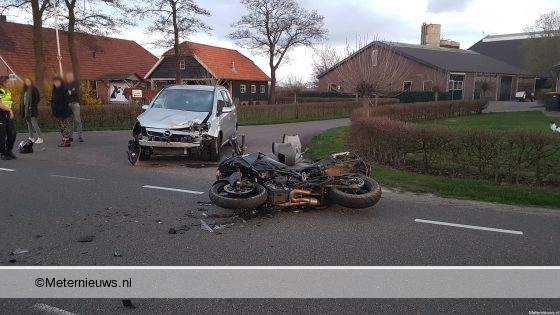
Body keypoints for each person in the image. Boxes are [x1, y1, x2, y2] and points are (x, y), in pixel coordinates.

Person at [20, 77, 43, 144]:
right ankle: (31, 138)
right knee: (29, 124)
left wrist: (32, 105)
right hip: (26, 109)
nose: (27, 82)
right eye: (26, 81)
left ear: (31, 81)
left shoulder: (34, 89)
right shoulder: (24, 90)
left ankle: (40, 138)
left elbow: (38, 98)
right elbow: (22, 100)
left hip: (32, 109)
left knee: (34, 123)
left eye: (28, 81)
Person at [51, 77, 73, 147]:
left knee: (64, 126)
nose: (56, 83)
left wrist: (61, 108)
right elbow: (53, 100)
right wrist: (54, 109)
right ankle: (64, 138)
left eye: (57, 82)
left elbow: (67, 100)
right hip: (57, 111)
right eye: (55, 82)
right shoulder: (54, 90)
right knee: (61, 126)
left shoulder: (64, 89)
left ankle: (67, 141)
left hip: (63, 111)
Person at [0, 82, 17, 160]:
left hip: (7, 112)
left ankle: (8, 150)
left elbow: (8, 102)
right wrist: (10, 110)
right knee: (2, 135)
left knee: (12, 132)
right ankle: (2, 153)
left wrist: (9, 110)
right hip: (1, 113)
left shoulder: (6, 90)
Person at [65, 72, 83, 142]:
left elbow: (76, 91)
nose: (69, 77)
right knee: (69, 121)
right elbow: (65, 93)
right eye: (68, 76)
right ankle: (70, 136)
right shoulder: (65, 84)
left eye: (70, 76)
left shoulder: (76, 83)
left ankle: (80, 136)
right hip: (68, 104)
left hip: (75, 104)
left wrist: (70, 92)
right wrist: (70, 91)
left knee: (78, 120)